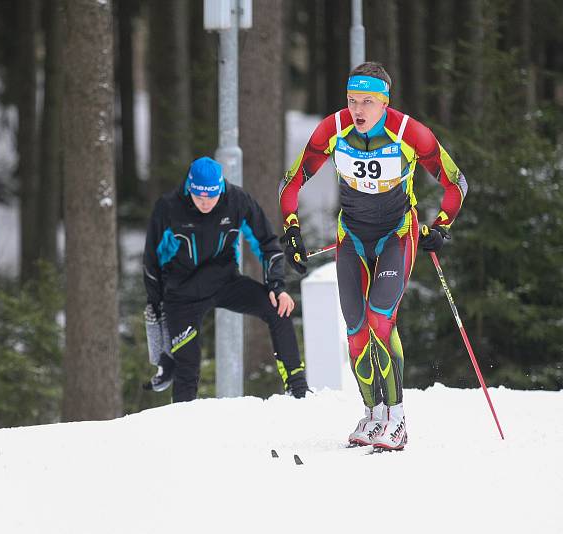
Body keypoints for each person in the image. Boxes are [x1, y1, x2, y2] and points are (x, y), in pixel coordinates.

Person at [279, 62, 468, 450]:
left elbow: (456, 182)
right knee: (355, 330)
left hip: (397, 233)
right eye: (352, 100)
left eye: (368, 101)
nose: (358, 110)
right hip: (352, 235)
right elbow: (292, 180)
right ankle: (373, 415)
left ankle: (397, 419)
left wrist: (443, 225)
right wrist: (292, 230)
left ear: (385, 102)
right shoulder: (332, 130)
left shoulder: (409, 133)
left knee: (380, 318)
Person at [143, 156, 309, 402]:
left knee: (279, 309)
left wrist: (276, 285)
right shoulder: (169, 208)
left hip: (226, 281)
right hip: (182, 294)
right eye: (200, 198)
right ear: (190, 188)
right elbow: (151, 262)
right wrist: (156, 304)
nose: (206, 203)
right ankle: (181, 423)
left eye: (212, 197)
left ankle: (298, 391)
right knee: (187, 367)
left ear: (220, 188)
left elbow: (267, 243)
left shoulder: (237, 201)